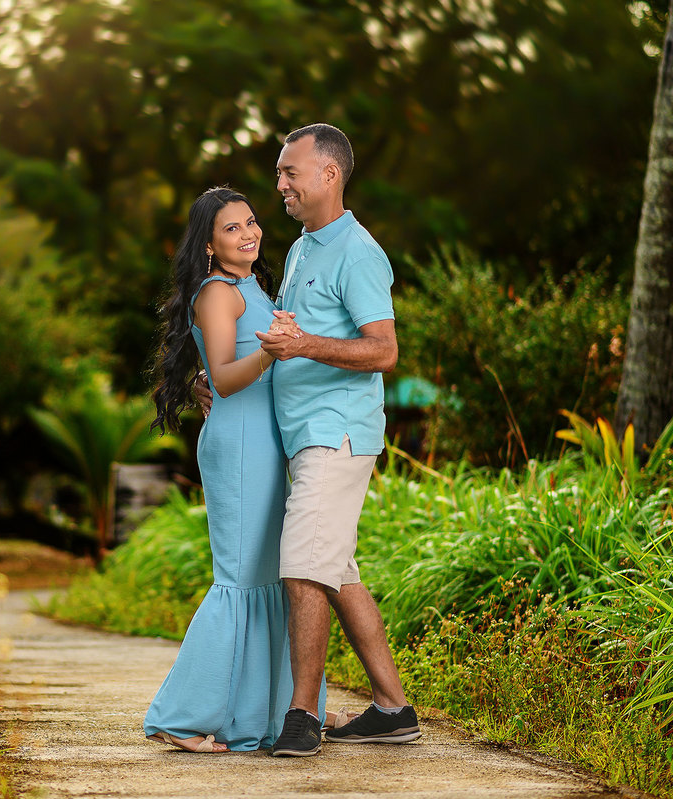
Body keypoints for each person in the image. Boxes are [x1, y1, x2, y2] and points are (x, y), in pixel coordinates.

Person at [144, 186, 340, 754]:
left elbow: (220, 373)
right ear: (208, 244)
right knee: (238, 578)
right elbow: (227, 379)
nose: (249, 233)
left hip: (269, 442)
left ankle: (256, 718)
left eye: (251, 222)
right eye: (232, 228)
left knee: (270, 579)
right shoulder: (217, 293)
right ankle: (183, 718)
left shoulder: (254, 287)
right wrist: (271, 352)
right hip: (239, 447)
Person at [252, 123, 421, 756]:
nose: (281, 185)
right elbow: (291, 338)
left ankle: (301, 717)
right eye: (279, 173)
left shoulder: (357, 251)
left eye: (290, 172)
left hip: (338, 434)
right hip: (304, 435)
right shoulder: (302, 247)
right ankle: (392, 708)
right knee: (334, 569)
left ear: (329, 175)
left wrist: (305, 346)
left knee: (302, 565)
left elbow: (384, 350)